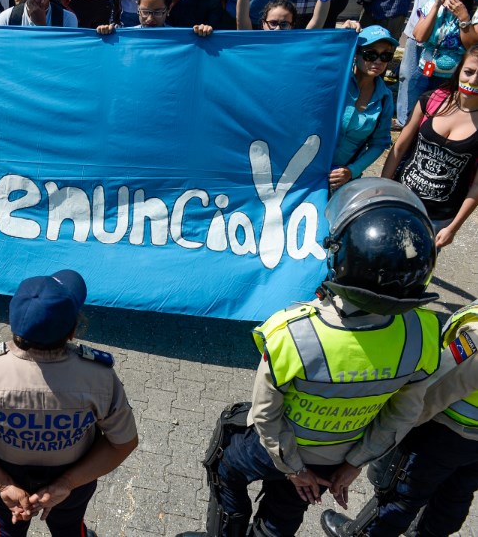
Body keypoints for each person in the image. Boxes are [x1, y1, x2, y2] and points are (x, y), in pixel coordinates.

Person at [177, 177, 440, 537]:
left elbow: (266, 416)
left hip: (284, 453)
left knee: (225, 458)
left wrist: (294, 468)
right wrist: (352, 464)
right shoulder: (423, 334)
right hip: (336, 459)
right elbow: (401, 416)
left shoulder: (291, 332)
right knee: (285, 513)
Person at [0, 269, 139, 537]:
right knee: (70, 530)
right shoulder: (98, 376)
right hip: (75, 477)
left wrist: (4, 485)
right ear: (71, 332)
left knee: (6, 529)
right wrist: (67, 484)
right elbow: (123, 442)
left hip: (1, 470)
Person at [322, 300, 478, 537]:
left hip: (445, 431)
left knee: (401, 496)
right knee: (455, 493)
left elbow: (435, 389)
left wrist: (398, 426)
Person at [382, 45, 478, 247]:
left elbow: (476, 186)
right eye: (469, 72)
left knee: (412, 273)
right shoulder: (431, 100)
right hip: (399, 200)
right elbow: (399, 148)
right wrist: (382, 188)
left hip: (437, 219)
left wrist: (453, 228)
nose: (473, 80)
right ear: (459, 69)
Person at [397, 0, 478, 127]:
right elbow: (420, 36)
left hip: (449, 77)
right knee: (414, 114)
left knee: (437, 117)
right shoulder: (435, 5)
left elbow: (472, 45)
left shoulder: (472, 11)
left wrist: (463, 18)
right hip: (424, 70)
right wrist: (436, 5)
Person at [330, 26, 397, 190]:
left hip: (342, 181)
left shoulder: (385, 99)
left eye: (385, 55)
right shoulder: (335, 80)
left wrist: (352, 171)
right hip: (308, 168)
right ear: (355, 53)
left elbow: (380, 143)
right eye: (371, 54)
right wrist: (342, 35)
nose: (378, 61)